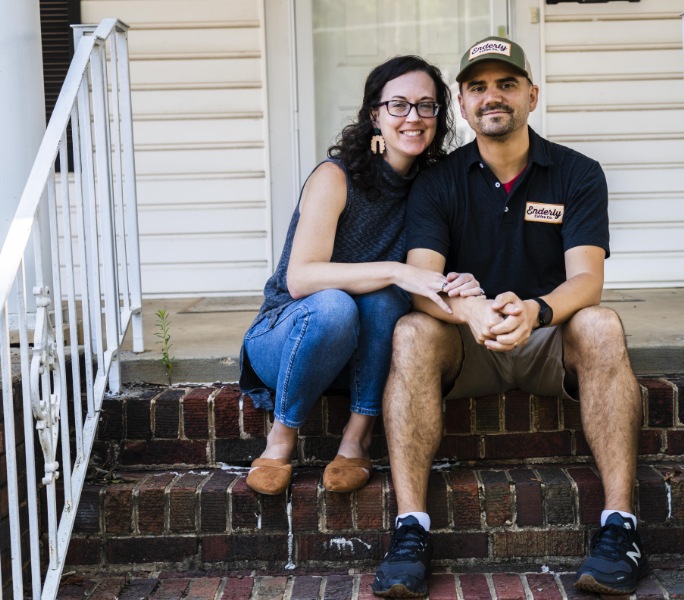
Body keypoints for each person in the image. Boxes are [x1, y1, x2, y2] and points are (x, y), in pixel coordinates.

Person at [371, 38, 647, 597]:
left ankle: (621, 528)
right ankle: (410, 531)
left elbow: (587, 280)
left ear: (531, 95)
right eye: (478, 87)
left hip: (547, 336)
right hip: (468, 342)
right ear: (463, 102)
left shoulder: (577, 173)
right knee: (411, 329)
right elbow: (424, 280)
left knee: (602, 323)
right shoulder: (438, 180)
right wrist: (470, 310)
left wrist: (537, 310)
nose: (492, 96)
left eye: (506, 84)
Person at [238, 56, 484, 498]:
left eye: (427, 106)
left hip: (363, 355)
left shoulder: (433, 187)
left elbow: (428, 276)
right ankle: (280, 438)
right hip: (292, 338)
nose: (413, 117)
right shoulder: (336, 177)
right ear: (375, 114)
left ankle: (357, 439)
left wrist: (460, 281)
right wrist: (396, 270)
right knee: (337, 303)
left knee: (388, 299)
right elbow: (301, 280)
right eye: (399, 105)